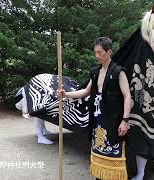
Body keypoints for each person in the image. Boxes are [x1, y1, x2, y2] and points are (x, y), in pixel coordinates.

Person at [59, 37, 131, 180]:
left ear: (109, 52)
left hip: (113, 121)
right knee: (98, 154)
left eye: (100, 52)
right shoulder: (95, 72)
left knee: (113, 156)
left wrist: (125, 120)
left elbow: (127, 96)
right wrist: (66, 94)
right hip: (97, 119)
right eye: (95, 52)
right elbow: (86, 91)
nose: (97, 56)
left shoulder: (119, 72)